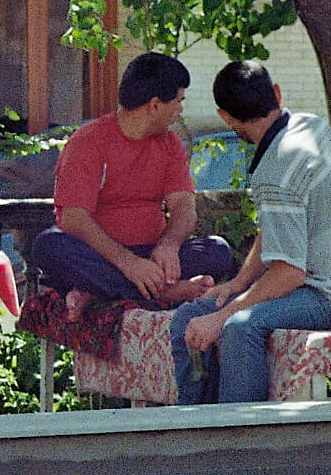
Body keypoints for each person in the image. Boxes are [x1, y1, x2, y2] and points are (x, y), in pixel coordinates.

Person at [168, 60, 331, 404]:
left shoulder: (276, 169)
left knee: (239, 327)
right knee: (189, 317)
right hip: (330, 286)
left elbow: (288, 274)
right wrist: (236, 286)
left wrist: (225, 314)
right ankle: (196, 427)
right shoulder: (310, 126)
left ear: (225, 117)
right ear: (277, 94)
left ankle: (242, 442)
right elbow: (274, 232)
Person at [29, 51, 234, 318]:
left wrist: (169, 244)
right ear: (155, 105)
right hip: (102, 255)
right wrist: (129, 265)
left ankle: (100, 290)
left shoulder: (170, 144)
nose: (180, 110)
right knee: (49, 246)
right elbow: (73, 219)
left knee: (217, 251)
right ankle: (162, 293)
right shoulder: (88, 141)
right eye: (178, 101)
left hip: (153, 255)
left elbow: (184, 207)